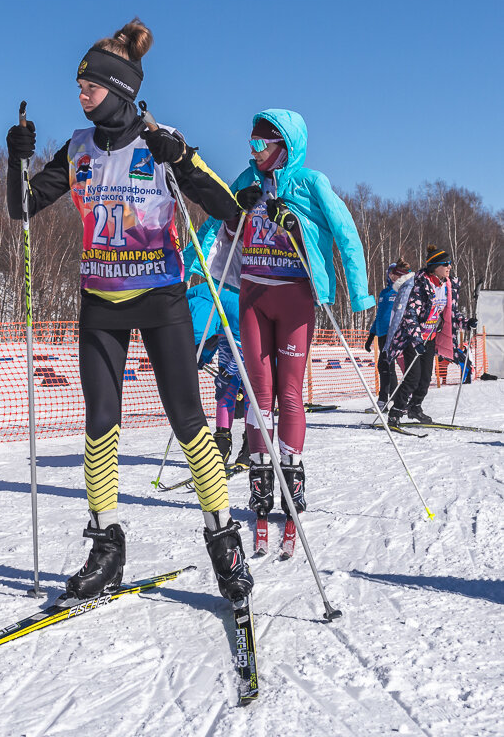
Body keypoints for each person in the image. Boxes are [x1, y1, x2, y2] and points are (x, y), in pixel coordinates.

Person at [5, 19, 253, 605]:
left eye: (88, 85)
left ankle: (223, 541)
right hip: (100, 303)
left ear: (118, 87)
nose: (81, 93)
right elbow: (22, 208)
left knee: (189, 423)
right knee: (100, 423)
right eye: (78, 86)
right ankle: (105, 545)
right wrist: (16, 159)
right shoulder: (78, 147)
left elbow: (230, 206)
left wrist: (184, 159)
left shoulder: (160, 139)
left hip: (161, 298)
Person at [200, 110, 374, 555]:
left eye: (261, 145)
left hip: (295, 295)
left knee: (290, 392)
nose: (253, 153)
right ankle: (260, 479)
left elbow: (346, 232)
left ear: (284, 146)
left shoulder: (310, 182)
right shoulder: (246, 179)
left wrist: (359, 295)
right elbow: (215, 221)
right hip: (253, 294)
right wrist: (198, 254)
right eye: (250, 144)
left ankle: (292, 478)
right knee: (259, 393)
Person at [384, 246, 474, 425]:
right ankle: (395, 412)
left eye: (449, 264)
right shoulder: (421, 285)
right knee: (413, 377)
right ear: (435, 267)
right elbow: (410, 315)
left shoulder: (447, 286)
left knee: (425, 378)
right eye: (445, 264)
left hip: (430, 338)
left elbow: (450, 314)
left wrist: (466, 322)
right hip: (413, 338)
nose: (449, 267)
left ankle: (415, 408)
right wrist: (417, 340)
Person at [186, 282, 249, 469]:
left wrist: (228, 373)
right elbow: (208, 336)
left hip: (246, 338)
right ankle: (222, 440)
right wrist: (201, 357)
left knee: (247, 389)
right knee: (225, 390)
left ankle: (251, 443)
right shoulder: (200, 303)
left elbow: (244, 354)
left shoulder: (237, 309)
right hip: (224, 333)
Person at [364, 260, 410, 411]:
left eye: (396, 274)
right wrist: (371, 336)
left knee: (385, 366)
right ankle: (394, 399)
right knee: (386, 367)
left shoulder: (401, 291)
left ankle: (384, 401)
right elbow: (379, 316)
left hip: (393, 335)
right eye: (391, 273)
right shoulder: (384, 293)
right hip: (382, 335)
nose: (393, 277)